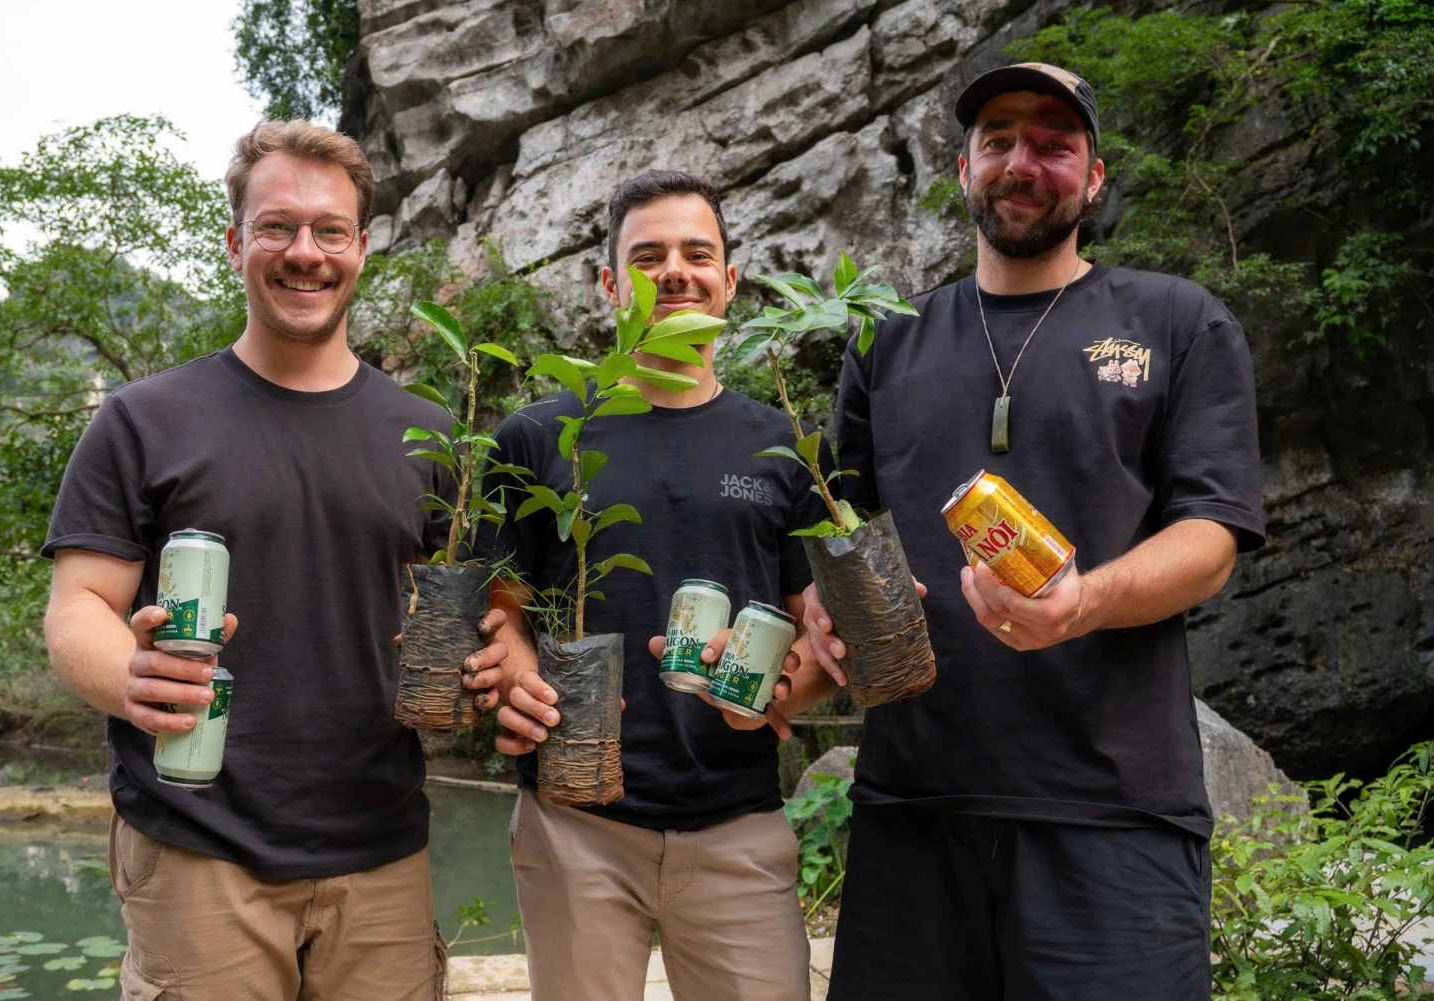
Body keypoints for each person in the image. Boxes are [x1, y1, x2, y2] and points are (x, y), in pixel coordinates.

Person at [803, 63, 1266, 999]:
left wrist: (1085, 601)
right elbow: (839, 526)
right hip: (913, 811)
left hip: (1113, 811)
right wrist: (817, 612)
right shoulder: (887, 338)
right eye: (999, 139)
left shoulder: (1178, 322)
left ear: (1094, 177)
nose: (1024, 161)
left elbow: (1213, 533)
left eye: (1055, 143)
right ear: (965, 166)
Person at [42, 119, 506, 1001]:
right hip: (196, 846)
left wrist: (489, 667)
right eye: (276, 227)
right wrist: (130, 674)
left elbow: (463, 611)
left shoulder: (430, 432)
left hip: (383, 853)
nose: (306, 252)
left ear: (361, 247)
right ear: (235, 243)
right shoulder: (144, 420)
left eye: (330, 230)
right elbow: (76, 610)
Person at [467, 170, 837, 1000]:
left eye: (696, 253)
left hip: (739, 818)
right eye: (647, 256)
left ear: (729, 281)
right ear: (609, 284)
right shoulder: (539, 436)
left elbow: (813, 628)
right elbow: (500, 608)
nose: (674, 270)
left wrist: (783, 691)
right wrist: (516, 668)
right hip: (576, 823)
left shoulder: (783, 444)